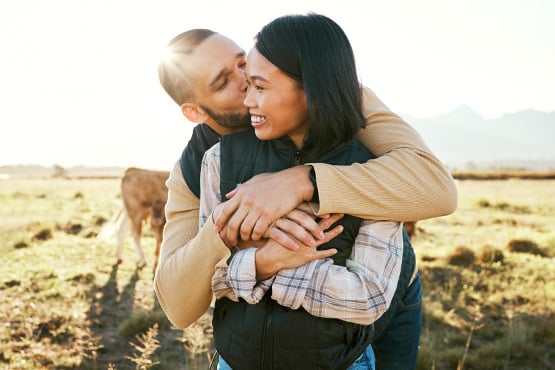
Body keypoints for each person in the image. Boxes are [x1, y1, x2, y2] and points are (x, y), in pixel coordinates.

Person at [154, 21, 457, 370]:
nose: (246, 81)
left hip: (384, 292)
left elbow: (438, 189)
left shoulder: (337, 97)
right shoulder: (201, 164)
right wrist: (235, 224)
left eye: (242, 63)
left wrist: (304, 181)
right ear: (195, 112)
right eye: (224, 82)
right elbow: (178, 304)